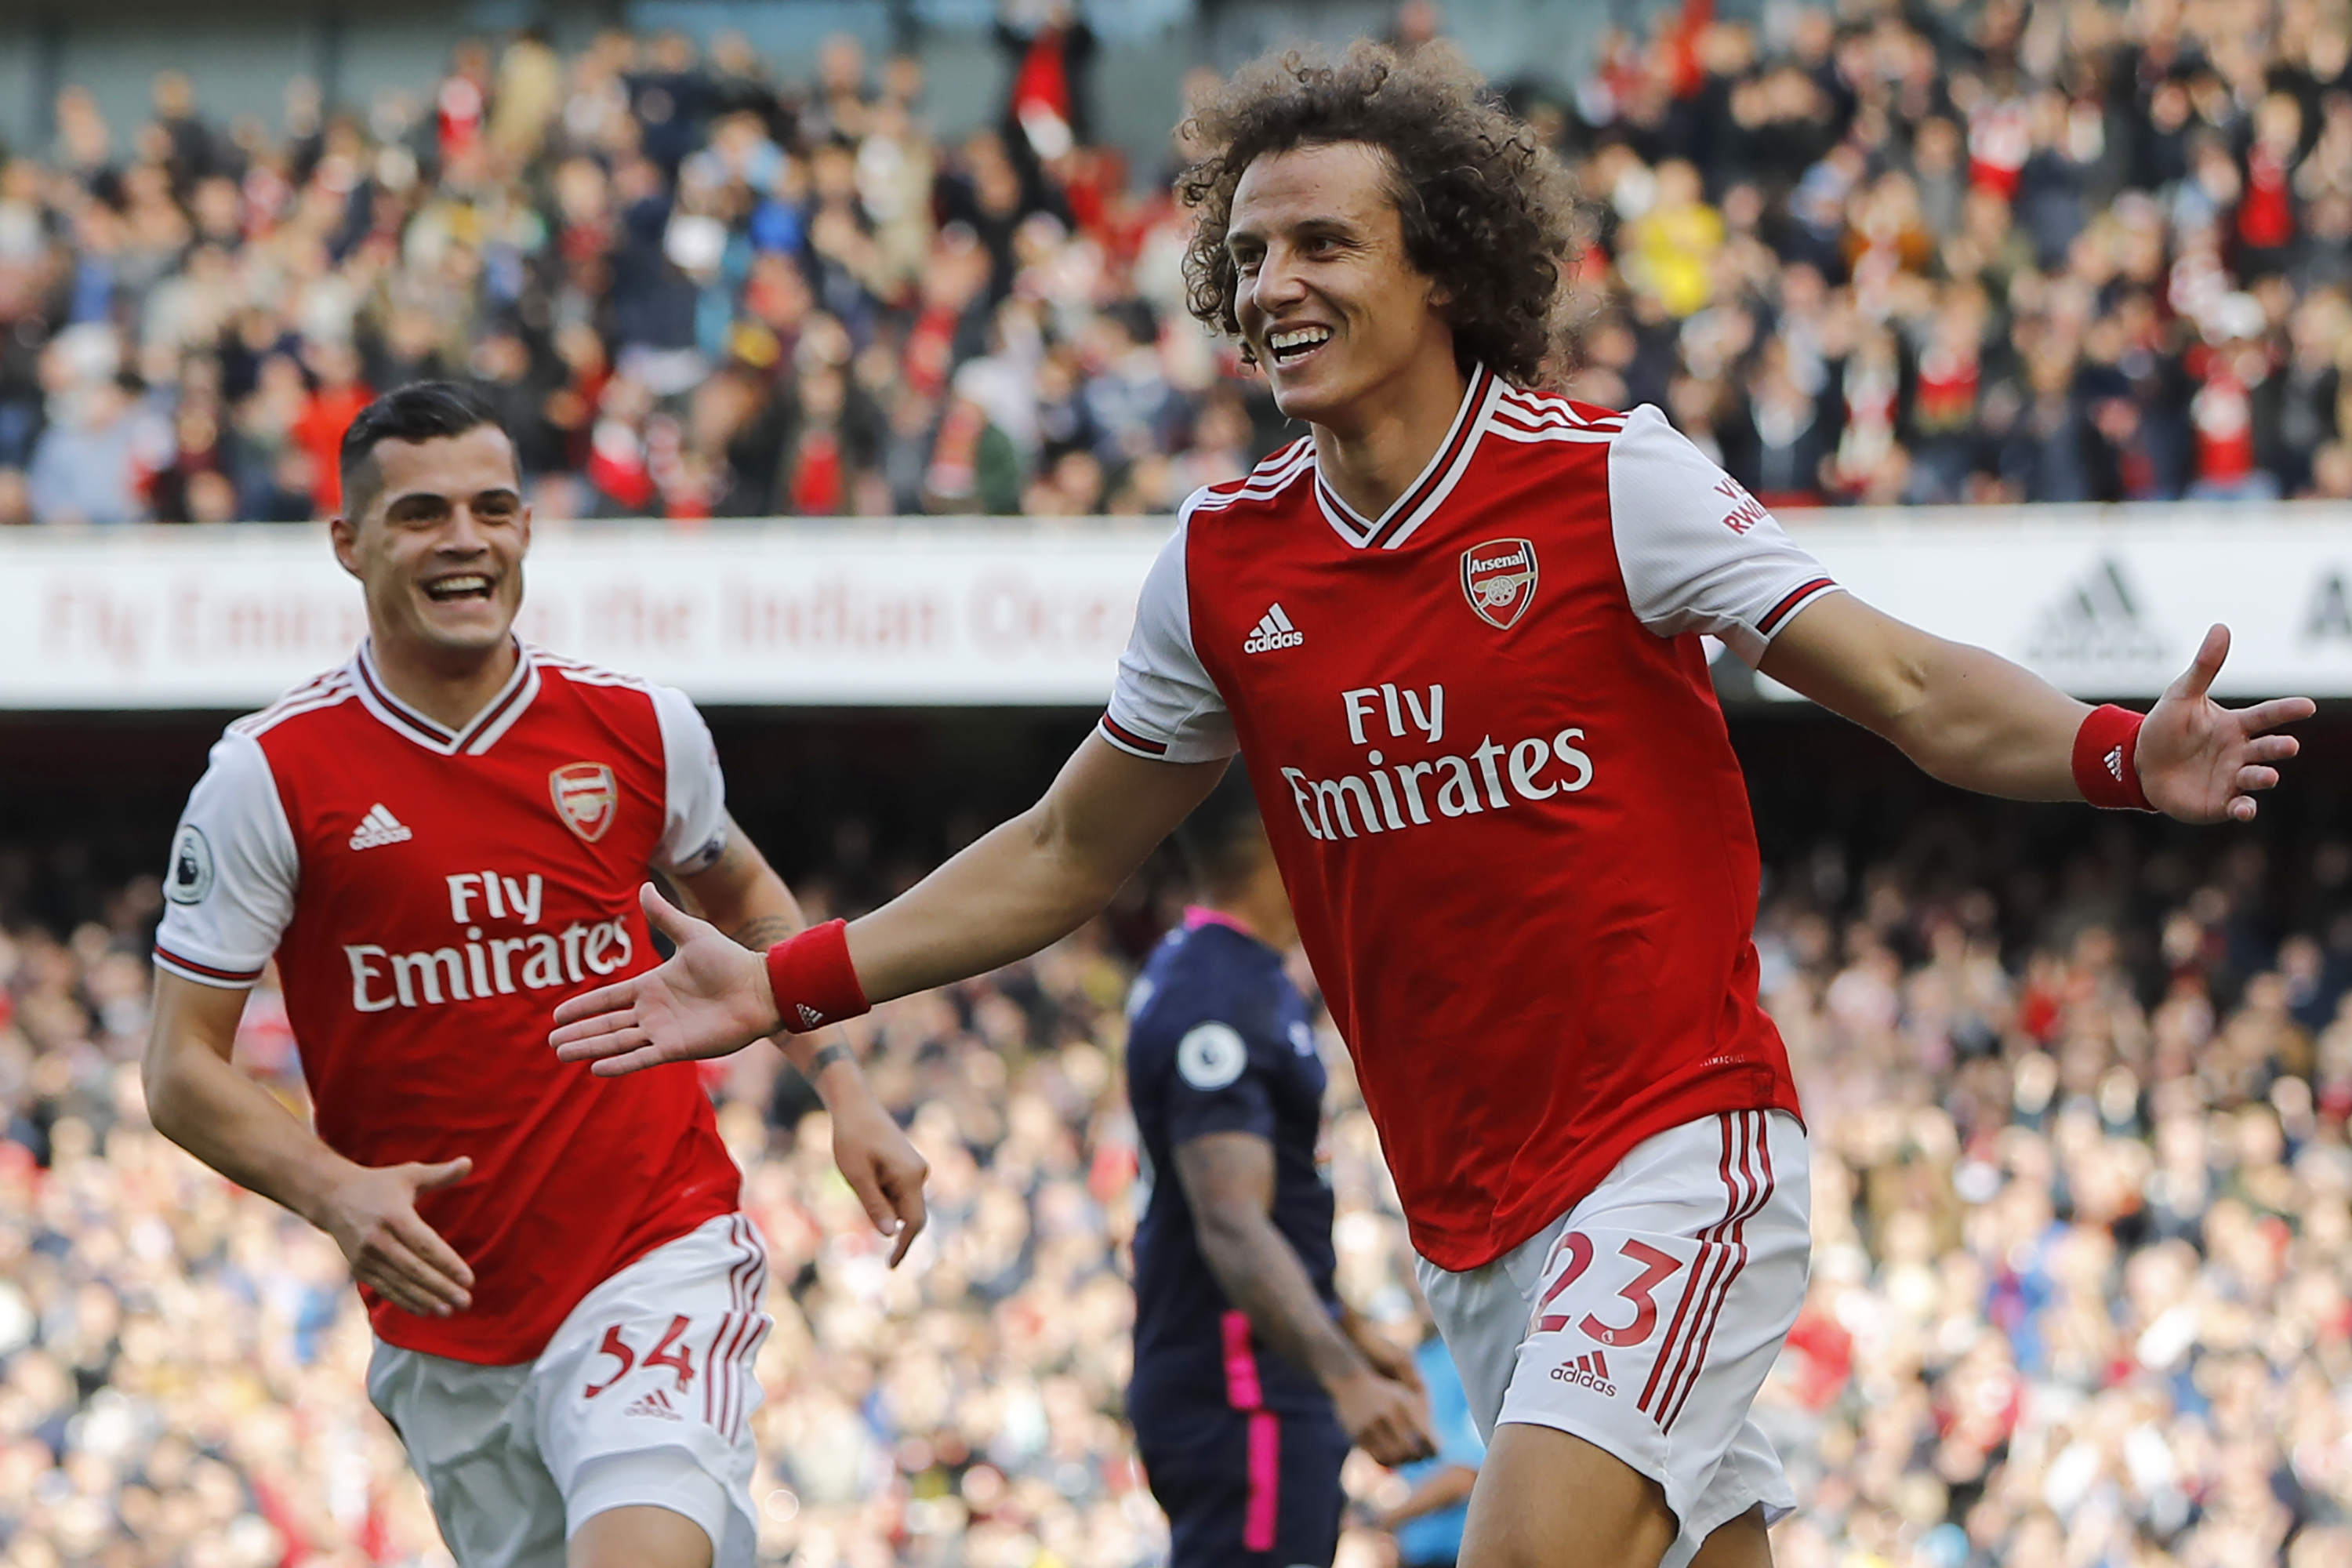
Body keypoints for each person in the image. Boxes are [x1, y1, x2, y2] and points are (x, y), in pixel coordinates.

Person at [547, 42, 2313, 1568]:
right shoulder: (1221, 565)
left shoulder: (1611, 484)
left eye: (1324, 242)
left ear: (1446, 265)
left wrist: (2110, 753)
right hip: (1474, 1212)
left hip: (1678, 1149)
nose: (1272, 286)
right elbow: (1070, 846)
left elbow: (1909, 688)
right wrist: (794, 980)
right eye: (1248, 255)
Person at [143, 380, 930, 1568]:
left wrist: (845, 1081)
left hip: (652, 1247)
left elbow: (751, 904)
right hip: (449, 1315)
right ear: (348, 544)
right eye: (421, 514)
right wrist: (334, 1191)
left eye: (493, 507)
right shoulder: (270, 776)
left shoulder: (638, 727)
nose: (466, 539)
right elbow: (179, 1069)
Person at [1126, 765, 1433, 1566]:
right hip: (1243, 1387)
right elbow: (1229, 1218)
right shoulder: (1218, 994)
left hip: (1260, 1374)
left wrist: (1350, 1328)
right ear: (1278, 837)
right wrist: (1343, 1375)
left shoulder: (1228, 973)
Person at [1374, 1309, 1483, 1568]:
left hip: (1460, 1550)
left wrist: (1380, 1520)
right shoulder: (1417, 1358)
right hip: (1416, 1549)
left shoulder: (1465, 1358)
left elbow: (1466, 1474)